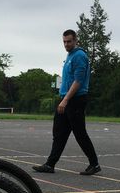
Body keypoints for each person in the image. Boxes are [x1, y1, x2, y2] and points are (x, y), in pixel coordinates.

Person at [33, 29, 101, 176]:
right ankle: (50, 164)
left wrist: (65, 100)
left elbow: (78, 81)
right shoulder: (70, 56)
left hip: (75, 100)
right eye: (64, 41)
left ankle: (94, 164)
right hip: (66, 99)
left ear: (76, 40)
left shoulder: (79, 56)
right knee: (59, 133)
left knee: (80, 134)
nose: (66, 44)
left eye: (69, 41)